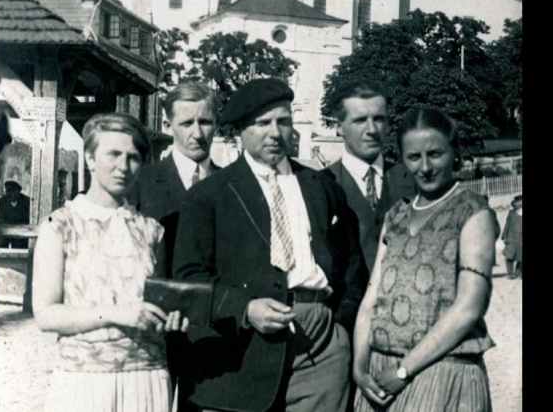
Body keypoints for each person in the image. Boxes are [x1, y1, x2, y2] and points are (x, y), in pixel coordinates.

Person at [172, 78, 366, 412]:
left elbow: (351, 266)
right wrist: (244, 309)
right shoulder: (210, 195)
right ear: (241, 132)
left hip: (320, 347)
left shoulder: (322, 187)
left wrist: (337, 327)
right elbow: (189, 277)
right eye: (263, 123)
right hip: (244, 347)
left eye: (284, 121)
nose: (275, 133)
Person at [31, 113, 189, 412]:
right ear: (90, 157)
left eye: (133, 157)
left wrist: (169, 319)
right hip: (85, 380)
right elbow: (46, 314)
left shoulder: (151, 230)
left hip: (148, 379)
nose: (123, 166)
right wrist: (118, 314)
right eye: (113, 154)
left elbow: (159, 305)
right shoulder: (59, 225)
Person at [353, 108, 498, 412]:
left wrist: (404, 371)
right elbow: (371, 300)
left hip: (443, 375)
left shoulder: (472, 211)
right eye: (414, 157)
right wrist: (359, 369)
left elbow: (468, 309)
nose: (426, 167)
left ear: (455, 153)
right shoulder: (396, 216)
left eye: (435, 154)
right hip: (381, 381)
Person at [125, 82, 222, 411]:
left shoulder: (233, 185)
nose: (197, 133)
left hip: (213, 332)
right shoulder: (141, 183)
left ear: (217, 124)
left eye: (206, 122)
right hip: (155, 332)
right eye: (186, 123)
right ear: (168, 125)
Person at [322, 79, 416, 307]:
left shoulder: (413, 180)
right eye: (360, 120)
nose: (372, 130)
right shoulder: (322, 185)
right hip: (346, 321)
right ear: (339, 126)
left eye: (378, 119)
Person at [0, 180, 31, 248]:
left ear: (18, 192)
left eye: (12, 191)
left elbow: (27, 219)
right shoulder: (3, 200)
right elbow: (0, 216)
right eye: (8, 191)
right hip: (6, 229)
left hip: (21, 231)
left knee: (20, 248)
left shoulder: (26, 201)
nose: (9, 194)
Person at [503, 195, 523, 280]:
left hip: (520, 240)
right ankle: (510, 273)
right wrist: (504, 236)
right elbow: (507, 224)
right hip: (511, 238)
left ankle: (518, 273)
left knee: (521, 257)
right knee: (509, 257)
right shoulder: (511, 213)